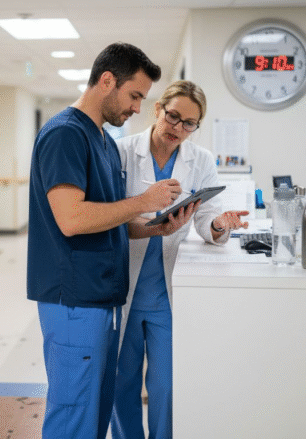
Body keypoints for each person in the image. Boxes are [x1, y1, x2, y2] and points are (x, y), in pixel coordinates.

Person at [27, 43, 196, 439]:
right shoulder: (65, 135)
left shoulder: (101, 140)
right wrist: (144, 200)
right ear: (107, 81)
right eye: (134, 95)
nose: (138, 108)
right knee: (73, 414)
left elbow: (107, 217)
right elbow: (70, 219)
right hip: (73, 301)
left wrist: (153, 226)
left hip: (101, 298)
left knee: (95, 412)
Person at [111, 80, 249, 439]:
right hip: (122, 287)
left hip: (167, 293)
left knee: (167, 386)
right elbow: (109, 216)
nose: (179, 129)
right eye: (173, 117)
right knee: (121, 384)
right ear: (157, 109)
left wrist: (219, 224)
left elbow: (208, 217)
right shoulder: (121, 152)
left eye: (190, 123)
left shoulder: (200, 160)